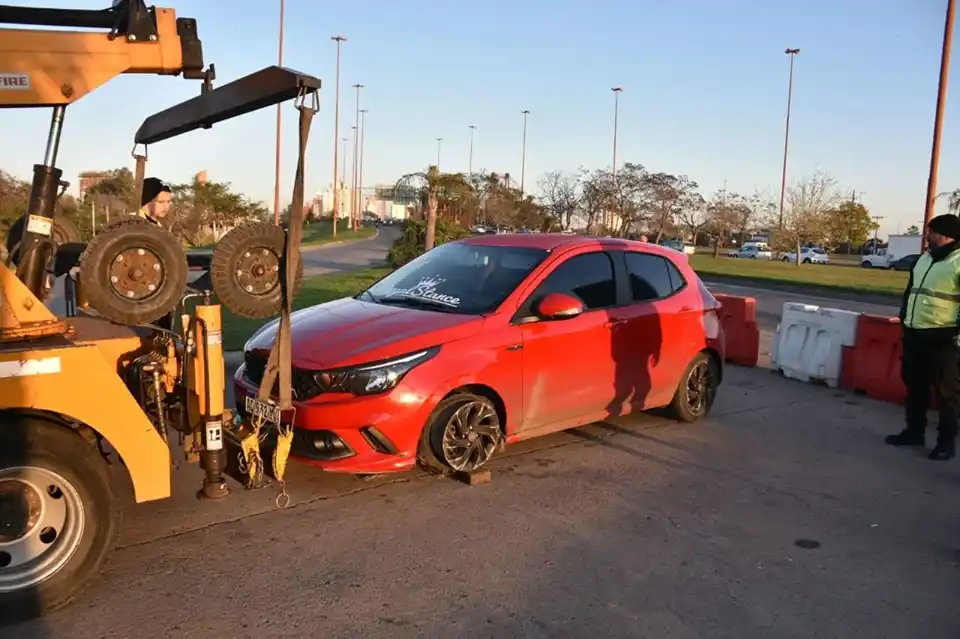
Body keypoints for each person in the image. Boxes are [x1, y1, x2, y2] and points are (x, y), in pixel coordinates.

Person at [885, 213, 960, 461]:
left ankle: (945, 443)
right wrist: (905, 319)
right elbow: (911, 293)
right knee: (914, 386)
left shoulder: (958, 261)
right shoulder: (924, 259)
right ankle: (913, 431)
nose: (927, 236)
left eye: (931, 232)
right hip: (915, 333)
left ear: (946, 235)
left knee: (946, 394)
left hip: (943, 338)